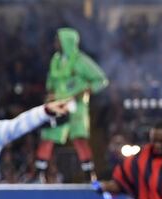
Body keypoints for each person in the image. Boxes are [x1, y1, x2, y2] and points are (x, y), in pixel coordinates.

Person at [34, 28, 108, 183]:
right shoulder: (55, 60)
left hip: (76, 106)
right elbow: (51, 82)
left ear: (66, 42)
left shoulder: (81, 61)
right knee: (48, 137)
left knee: (79, 139)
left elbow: (101, 80)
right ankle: (39, 174)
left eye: (58, 41)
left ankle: (89, 174)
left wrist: (86, 91)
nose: (55, 44)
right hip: (57, 105)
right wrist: (50, 93)